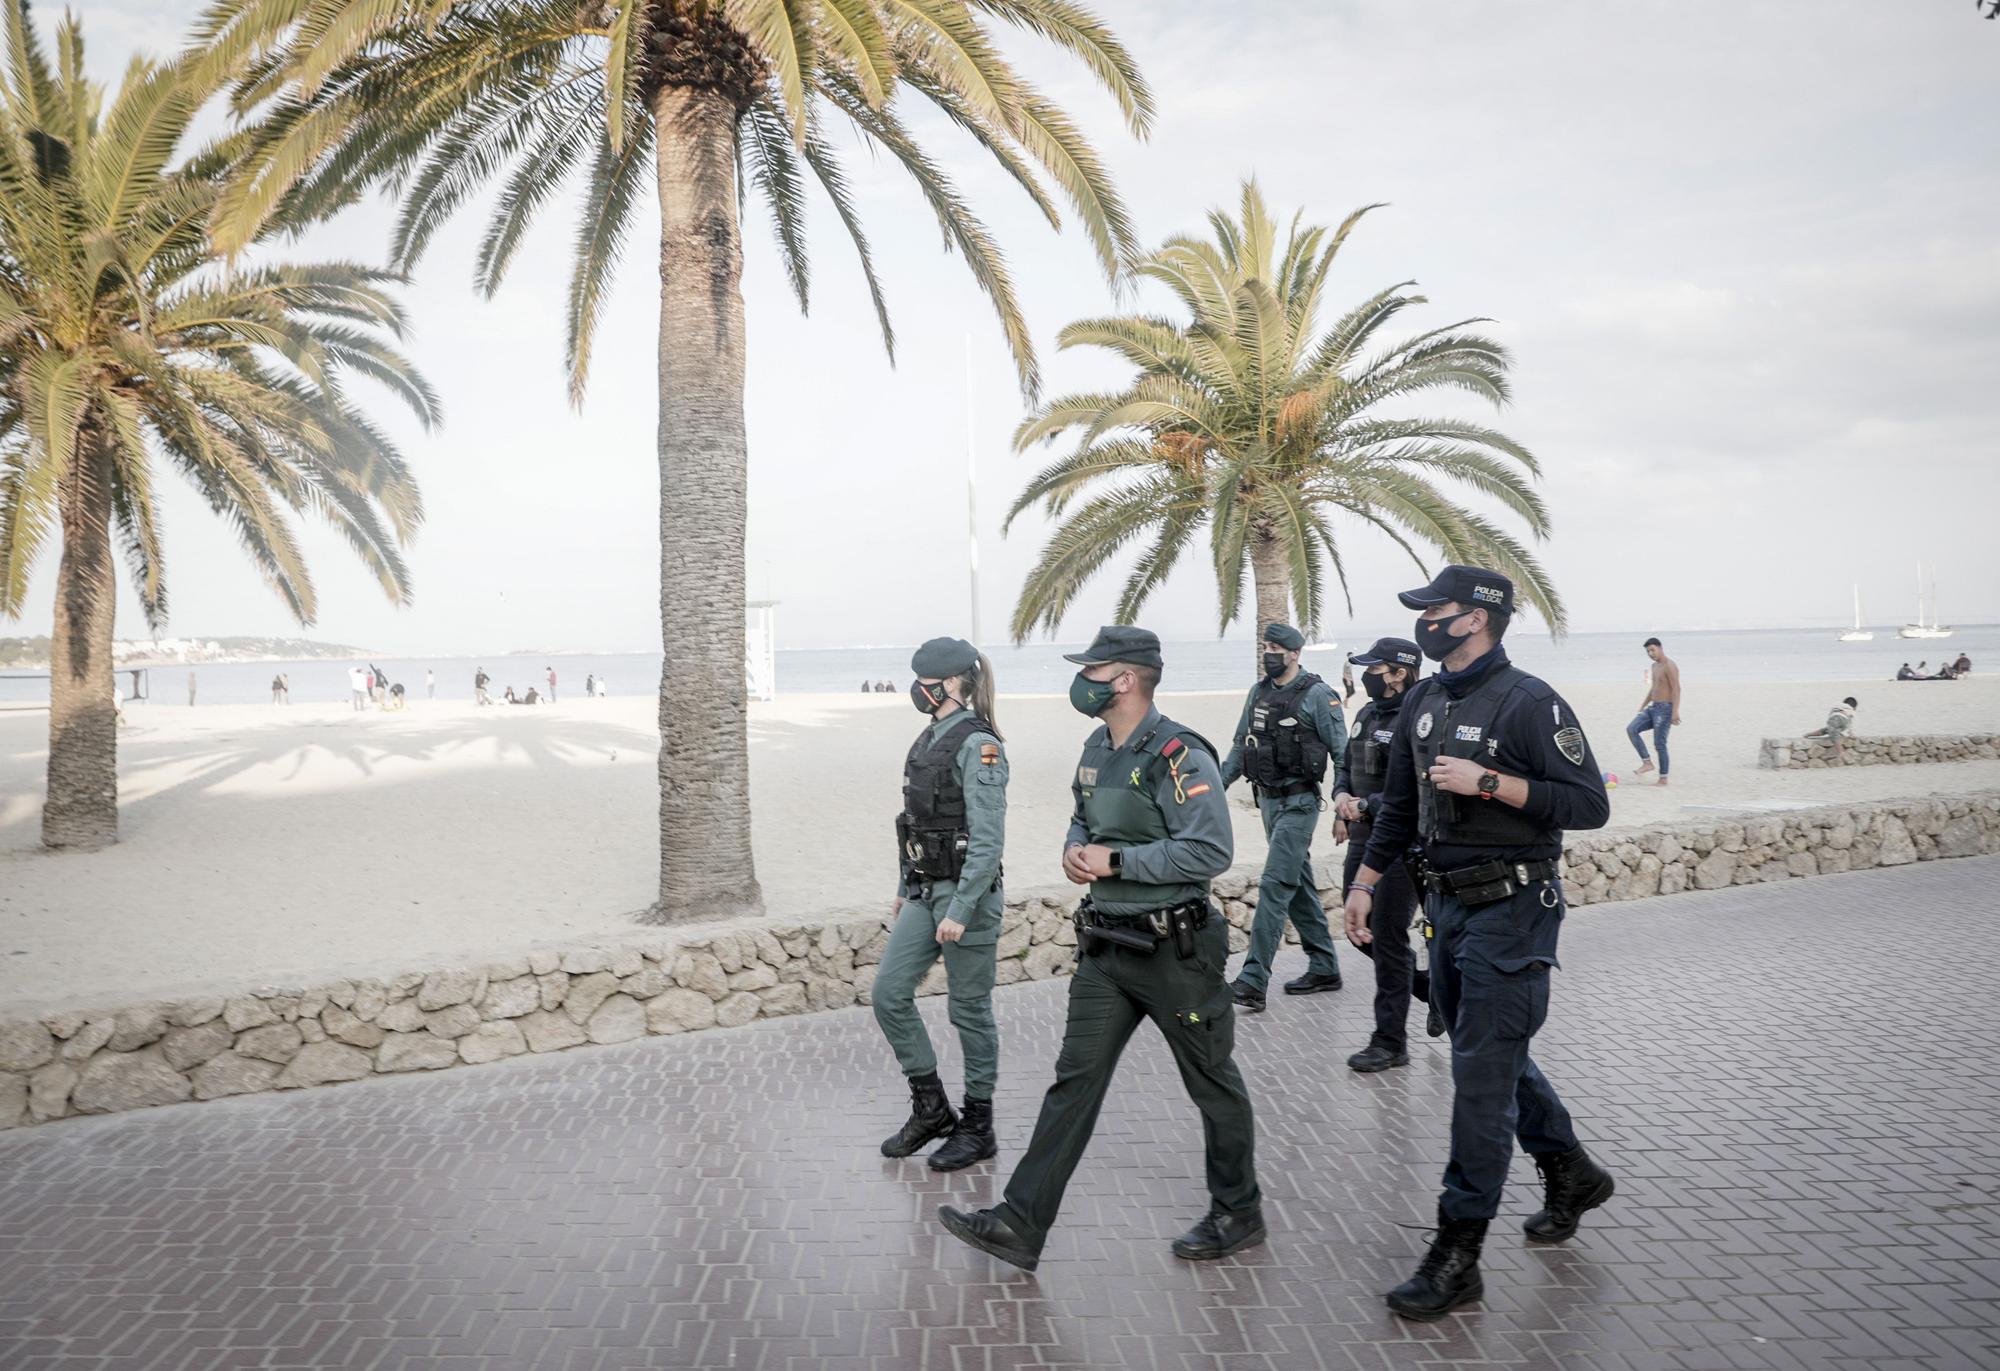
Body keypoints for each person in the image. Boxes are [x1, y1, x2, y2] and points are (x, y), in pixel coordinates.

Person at [938, 626, 1262, 1272]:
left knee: (1213, 1082)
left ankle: (1238, 1209)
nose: (1082, 678)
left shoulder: (1179, 754)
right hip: (1107, 950)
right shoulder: (1096, 747)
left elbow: (1210, 849)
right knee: (1073, 1084)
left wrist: (1116, 859)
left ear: (1126, 680)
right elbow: (1084, 813)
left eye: (1094, 668)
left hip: (1176, 952)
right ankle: (1021, 1222)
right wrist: (1073, 846)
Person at [1342, 565, 1614, 1321]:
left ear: (1476, 618)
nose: (1425, 619)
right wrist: (1364, 883)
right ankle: (1569, 1169)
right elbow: (1397, 808)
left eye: (1437, 608)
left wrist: (1492, 783)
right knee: (1488, 1055)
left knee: (1479, 1085)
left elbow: (1590, 803)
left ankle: (1457, 1253)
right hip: (1446, 909)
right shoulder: (1425, 698)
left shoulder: (1529, 701)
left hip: (1515, 909)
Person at [875, 638, 1009, 1173]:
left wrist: (962, 909)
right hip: (926, 891)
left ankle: (978, 1126)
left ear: (952, 682)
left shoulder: (979, 744)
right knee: (887, 994)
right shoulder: (930, 735)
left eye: (926, 679)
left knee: (969, 1011)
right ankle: (931, 1107)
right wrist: (907, 883)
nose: (918, 688)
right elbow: (916, 822)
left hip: (965, 897)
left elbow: (987, 836)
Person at [1218, 622, 1348, 1014]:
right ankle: (1325, 966)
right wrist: (1210, 792)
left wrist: (1344, 807)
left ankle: (1254, 981)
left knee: (1275, 884)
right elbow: (1241, 747)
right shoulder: (1258, 693)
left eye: (1276, 647)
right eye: (1266, 646)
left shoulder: (1318, 696)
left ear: (1294, 653)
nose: (1269, 653)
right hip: (1269, 805)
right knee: (1299, 885)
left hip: (1300, 805)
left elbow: (1344, 755)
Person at [1331, 637, 1432, 1072]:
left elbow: (1418, 792)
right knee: (1361, 930)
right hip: (1361, 838)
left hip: (1400, 845)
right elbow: (1344, 763)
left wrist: (1368, 806)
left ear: (1398, 673)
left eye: (1375, 668)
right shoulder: (1368, 713)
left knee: (1388, 938)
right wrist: (1340, 798)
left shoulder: (1421, 718)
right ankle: (1431, 988)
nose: (1367, 675)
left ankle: (1390, 1042)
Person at [1624, 637, 1681, 786]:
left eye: (1653, 650)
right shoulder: (1654, 666)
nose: (1650, 653)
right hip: (1653, 707)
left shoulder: (1670, 666)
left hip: (1665, 709)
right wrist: (1643, 705)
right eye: (1648, 651)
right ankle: (1647, 762)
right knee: (1631, 729)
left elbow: (1676, 689)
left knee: (1659, 744)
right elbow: (1654, 688)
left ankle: (1663, 778)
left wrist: (1675, 711)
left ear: (1660, 648)